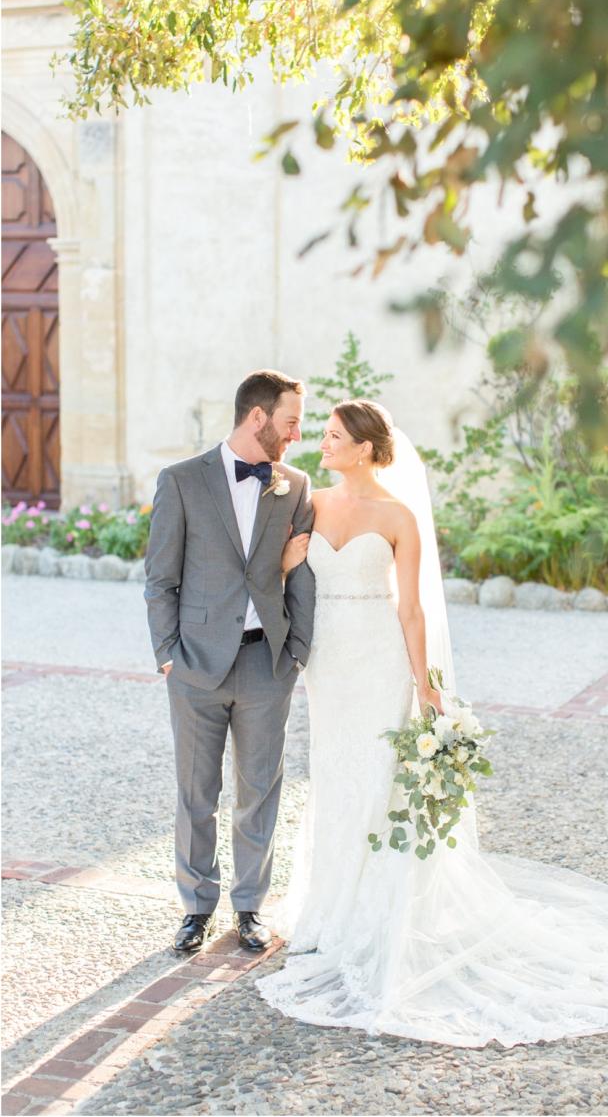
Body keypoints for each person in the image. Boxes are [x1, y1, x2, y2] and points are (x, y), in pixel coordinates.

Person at [256, 399, 608, 1049]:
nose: (322, 444)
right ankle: (330, 909)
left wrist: (428, 688)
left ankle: (379, 915)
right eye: (325, 435)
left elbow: (414, 609)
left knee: (380, 779)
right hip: (329, 666)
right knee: (336, 778)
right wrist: (284, 568)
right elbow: (286, 579)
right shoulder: (310, 502)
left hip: (383, 662)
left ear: (365, 447)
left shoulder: (398, 516)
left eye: (334, 436)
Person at [144, 370, 315, 955]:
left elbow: (301, 579)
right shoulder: (182, 481)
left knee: (260, 789)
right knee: (196, 791)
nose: (298, 434)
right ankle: (195, 907)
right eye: (291, 421)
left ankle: (249, 907)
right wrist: (168, 655)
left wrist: (295, 653)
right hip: (194, 665)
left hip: (266, 665)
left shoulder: (295, 484)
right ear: (258, 417)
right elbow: (160, 579)